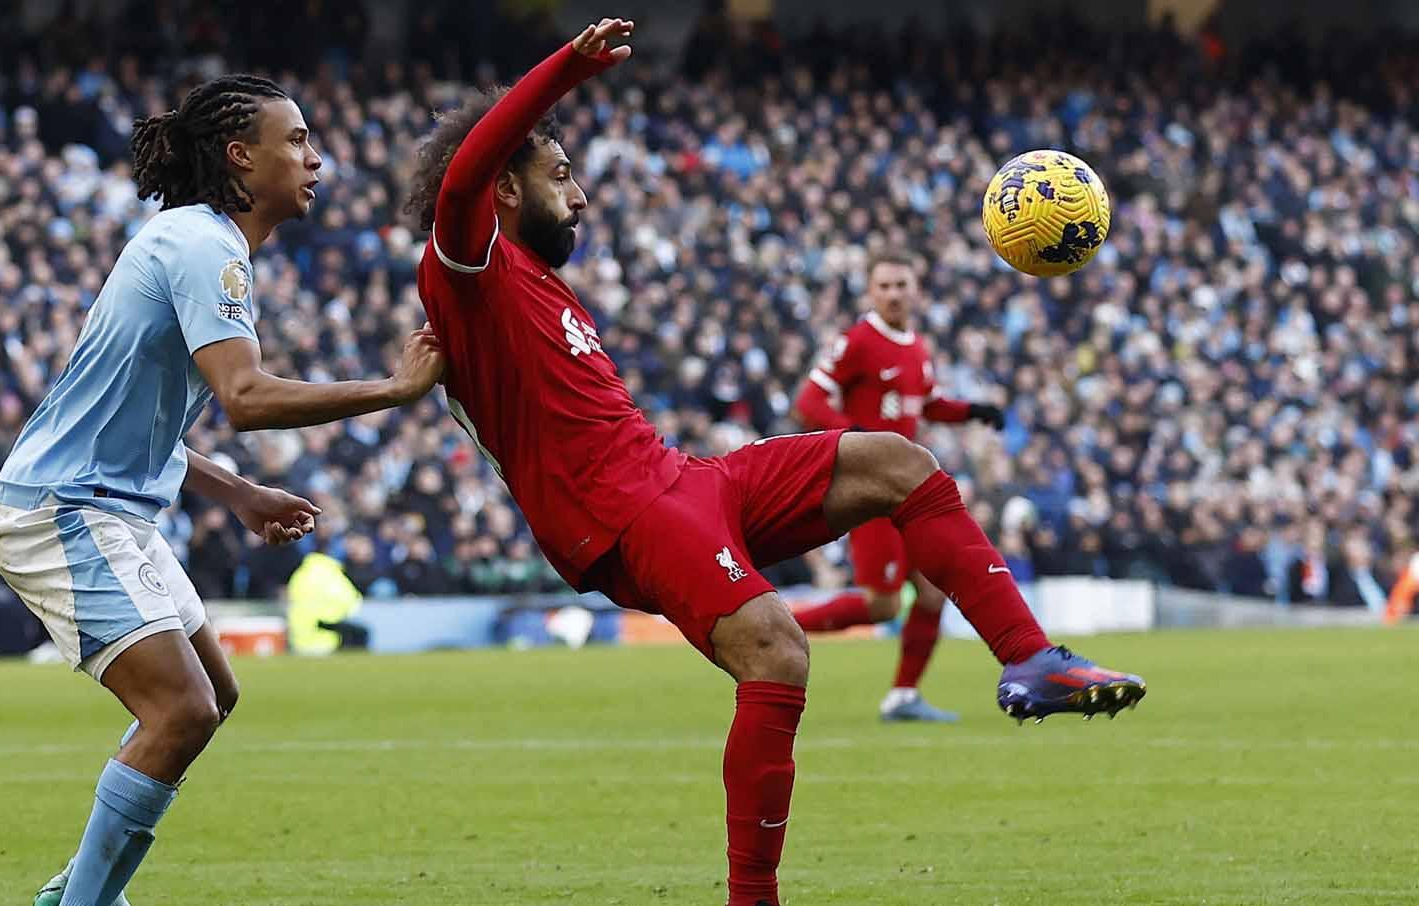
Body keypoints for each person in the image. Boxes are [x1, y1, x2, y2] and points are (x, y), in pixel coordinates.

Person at [405, 19, 1146, 906]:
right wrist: (568, 68)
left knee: (898, 464)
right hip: (622, 513)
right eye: (560, 174)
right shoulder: (468, 270)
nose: (582, 196)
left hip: (678, 480)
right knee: (777, 652)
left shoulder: (537, 281)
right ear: (504, 187)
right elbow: (462, 176)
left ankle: (1029, 660)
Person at [0, 74, 445, 906]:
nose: (316, 159)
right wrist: (394, 389)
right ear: (240, 156)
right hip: (62, 511)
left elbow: (139, 417)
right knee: (182, 711)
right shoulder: (206, 247)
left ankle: (73, 894)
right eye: (296, 140)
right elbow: (246, 397)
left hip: (104, 506)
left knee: (212, 697)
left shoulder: (195, 241)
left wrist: (237, 493)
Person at [790, 252, 1005, 723]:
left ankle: (904, 696)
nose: (892, 294)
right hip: (870, 490)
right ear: (870, 291)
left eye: (900, 285)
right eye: (884, 286)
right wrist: (856, 438)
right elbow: (809, 400)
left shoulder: (916, 347)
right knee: (882, 605)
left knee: (930, 592)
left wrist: (973, 411)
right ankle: (775, 626)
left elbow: (928, 404)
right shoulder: (857, 342)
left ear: (915, 289)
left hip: (906, 489)